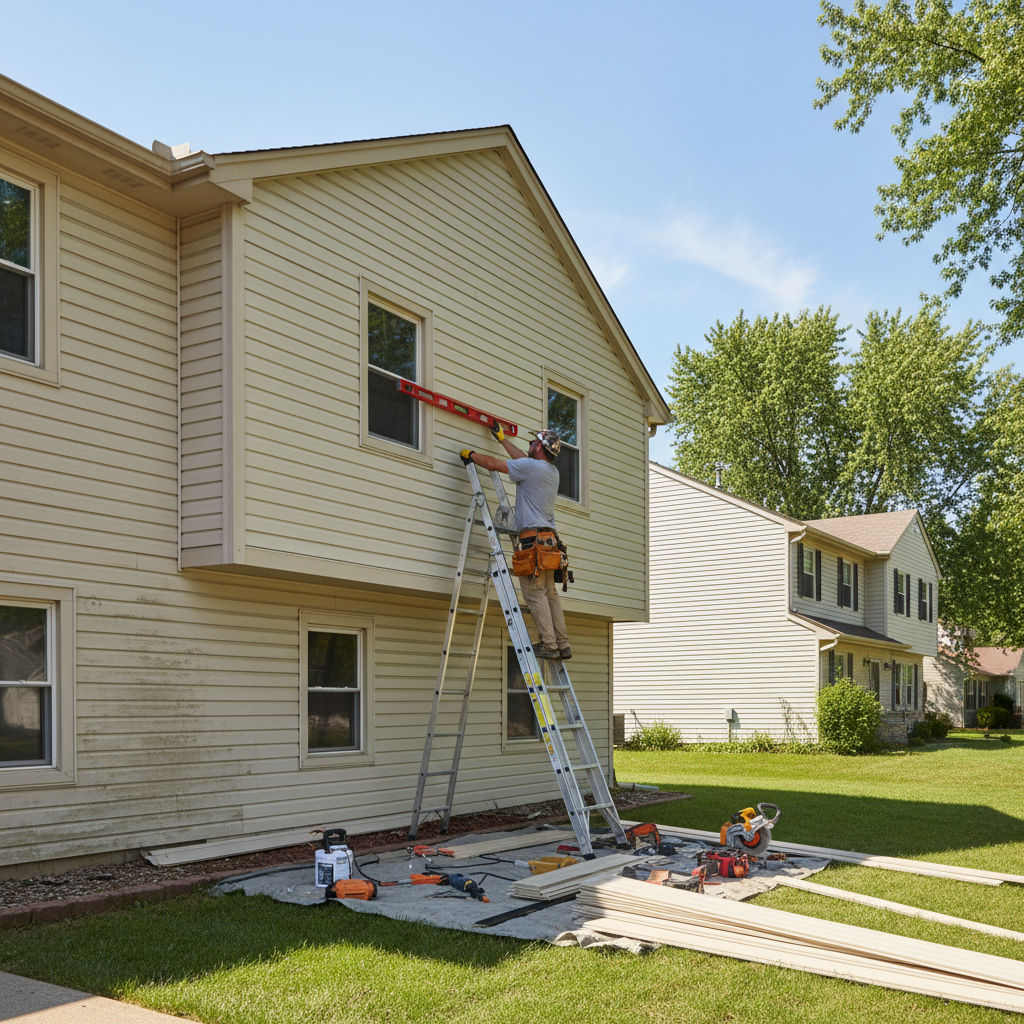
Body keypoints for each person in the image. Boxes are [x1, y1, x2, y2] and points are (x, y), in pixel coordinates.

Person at [459, 428, 570, 660]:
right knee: (550, 594)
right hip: (549, 543)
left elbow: (493, 464)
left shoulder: (531, 468)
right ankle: (562, 644)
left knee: (535, 594)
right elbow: (523, 459)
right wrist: (503, 440)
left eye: (532, 442)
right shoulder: (550, 471)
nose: (529, 444)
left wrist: (472, 455)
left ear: (539, 446)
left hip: (533, 543)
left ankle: (549, 645)